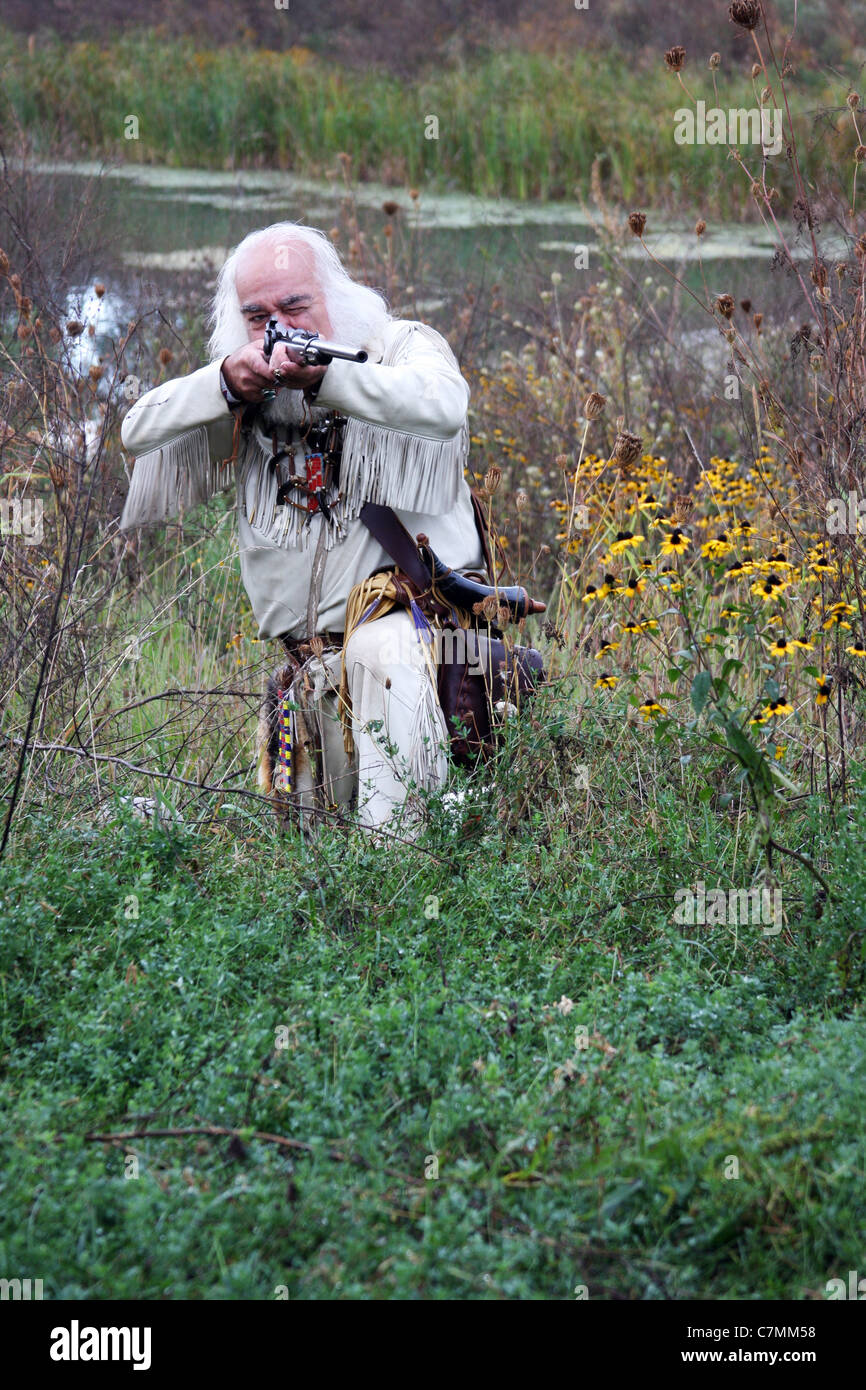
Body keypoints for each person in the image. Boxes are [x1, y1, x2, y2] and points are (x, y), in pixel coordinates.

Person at [119, 220, 487, 833]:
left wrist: (329, 378)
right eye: (258, 316)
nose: (280, 327)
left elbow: (445, 407)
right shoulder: (244, 391)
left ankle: (399, 893)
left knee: (395, 852)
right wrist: (224, 386)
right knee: (311, 881)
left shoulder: (400, 348)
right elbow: (138, 430)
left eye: (296, 305)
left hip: (410, 653)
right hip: (306, 675)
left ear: (334, 298)